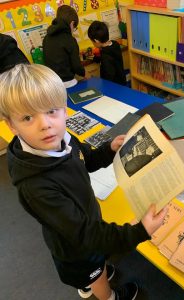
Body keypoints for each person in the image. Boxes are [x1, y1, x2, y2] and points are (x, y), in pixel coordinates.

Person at [0, 63, 168, 300]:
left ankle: (91, 279)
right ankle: (108, 296)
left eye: (51, 111)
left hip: (81, 222)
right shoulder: (35, 186)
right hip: (77, 246)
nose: (45, 124)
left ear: (64, 109)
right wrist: (139, 231)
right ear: (11, 125)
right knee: (94, 273)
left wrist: (109, 149)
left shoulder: (62, 138)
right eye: (28, 117)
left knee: (94, 269)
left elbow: (85, 158)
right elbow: (85, 234)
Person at [43, 5, 85, 88]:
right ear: (72, 23)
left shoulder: (46, 38)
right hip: (68, 83)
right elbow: (76, 66)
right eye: (74, 28)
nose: (73, 31)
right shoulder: (69, 39)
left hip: (53, 84)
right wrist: (85, 73)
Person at [87, 21, 126, 86]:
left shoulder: (105, 56)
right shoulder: (114, 44)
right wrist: (95, 58)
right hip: (121, 81)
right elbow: (112, 59)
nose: (93, 44)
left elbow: (109, 76)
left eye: (92, 41)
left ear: (96, 40)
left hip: (113, 87)